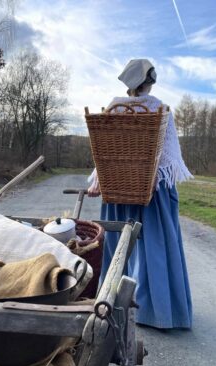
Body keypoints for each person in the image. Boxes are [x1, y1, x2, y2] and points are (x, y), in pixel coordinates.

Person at [87, 58, 193, 329]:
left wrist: (99, 180)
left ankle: (109, 302)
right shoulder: (160, 109)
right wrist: (153, 179)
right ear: (150, 81)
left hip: (119, 188)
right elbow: (168, 160)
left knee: (116, 247)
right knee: (154, 247)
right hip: (152, 192)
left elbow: (105, 152)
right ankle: (158, 312)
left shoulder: (112, 108)